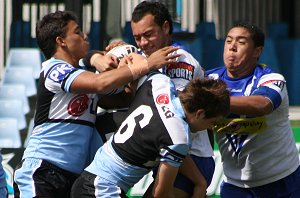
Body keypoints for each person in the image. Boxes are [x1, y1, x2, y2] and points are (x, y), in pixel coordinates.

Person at [13, 10, 180, 198]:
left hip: (72, 176)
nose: (85, 36)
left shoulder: (83, 70)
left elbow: (122, 98)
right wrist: (146, 64)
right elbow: (101, 83)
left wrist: (119, 56)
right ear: (61, 41)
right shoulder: (54, 69)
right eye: (77, 32)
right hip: (42, 171)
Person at [103, 1, 215, 197]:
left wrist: (199, 181)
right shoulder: (144, 58)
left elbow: (177, 116)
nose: (143, 43)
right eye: (137, 37)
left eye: (148, 35)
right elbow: (126, 100)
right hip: (169, 156)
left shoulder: (178, 58)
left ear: (165, 27)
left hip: (192, 158)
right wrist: (114, 59)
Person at [71, 75, 230, 198]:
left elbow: (173, 148)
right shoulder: (179, 136)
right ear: (200, 113)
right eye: (212, 122)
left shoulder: (160, 82)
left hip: (93, 183)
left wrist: (199, 182)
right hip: (101, 189)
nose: (211, 127)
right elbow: (160, 194)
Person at [206, 22, 300, 197]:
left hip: (282, 182)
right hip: (235, 185)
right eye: (228, 41)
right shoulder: (209, 80)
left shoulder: (272, 79)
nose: (232, 47)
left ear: (257, 51)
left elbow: (261, 105)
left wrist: (212, 100)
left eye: (241, 42)